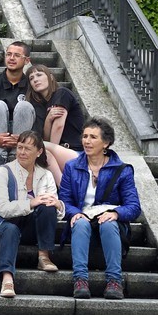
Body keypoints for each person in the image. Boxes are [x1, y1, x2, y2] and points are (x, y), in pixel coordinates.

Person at [58, 118, 142, 300]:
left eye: (93, 137)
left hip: (109, 225)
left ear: (106, 143)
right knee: (80, 223)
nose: (87, 141)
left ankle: (114, 281)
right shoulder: (72, 167)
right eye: (85, 136)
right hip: (82, 222)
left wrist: (115, 213)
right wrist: (75, 213)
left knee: (108, 223)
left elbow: (134, 207)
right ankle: (80, 280)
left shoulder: (122, 170)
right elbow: (64, 200)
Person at [0, 132, 61, 298]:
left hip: (29, 226)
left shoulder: (46, 175)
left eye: (27, 149)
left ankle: (43, 256)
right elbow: (2, 209)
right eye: (20, 147)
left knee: (48, 206)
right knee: (11, 230)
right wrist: (31, 203)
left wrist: (59, 205)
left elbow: (53, 212)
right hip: (1, 223)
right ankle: (7, 279)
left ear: (39, 152)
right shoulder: (4, 171)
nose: (21, 152)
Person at [24, 64, 84, 184]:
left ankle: (65, 190)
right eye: (31, 78)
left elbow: (59, 126)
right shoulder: (42, 106)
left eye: (39, 75)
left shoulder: (62, 93)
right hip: (61, 154)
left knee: (36, 147)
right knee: (40, 149)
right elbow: (47, 138)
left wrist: (49, 149)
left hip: (76, 153)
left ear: (50, 77)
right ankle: (64, 188)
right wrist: (48, 120)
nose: (35, 79)